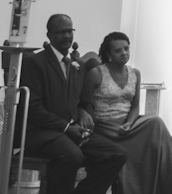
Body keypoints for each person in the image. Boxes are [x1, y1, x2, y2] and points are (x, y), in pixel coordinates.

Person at [19, 14, 127, 194]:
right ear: (49, 35)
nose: (67, 36)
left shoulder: (77, 65)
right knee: (73, 156)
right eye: (61, 32)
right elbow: (33, 108)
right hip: (42, 132)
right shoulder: (35, 62)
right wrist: (66, 127)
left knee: (116, 154)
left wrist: (84, 111)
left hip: (72, 130)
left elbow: (83, 99)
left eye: (70, 31)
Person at [84, 31, 172, 194]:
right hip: (104, 127)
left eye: (126, 48)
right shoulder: (96, 73)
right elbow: (84, 104)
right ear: (108, 54)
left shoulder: (135, 73)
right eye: (118, 50)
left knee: (156, 123)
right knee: (147, 136)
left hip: (128, 124)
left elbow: (135, 106)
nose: (124, 53)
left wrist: (129, 123)